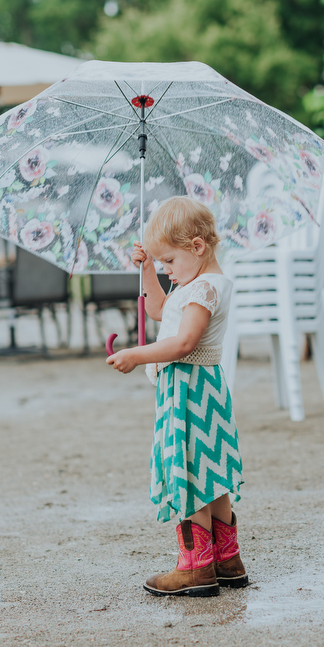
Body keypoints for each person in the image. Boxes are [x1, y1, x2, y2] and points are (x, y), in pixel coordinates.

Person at [106, 197, 247, 598]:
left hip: (188, 390)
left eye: (169, 261)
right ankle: (226, 560)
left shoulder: (204, 290)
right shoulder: (195, 285)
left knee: (186, 470)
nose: (168, 270)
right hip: (202, 390)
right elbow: (161, 312)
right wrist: (148, 270)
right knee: (211, 472)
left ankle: (196, 567)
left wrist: (136, 355)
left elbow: (183, 342)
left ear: (197, 246)